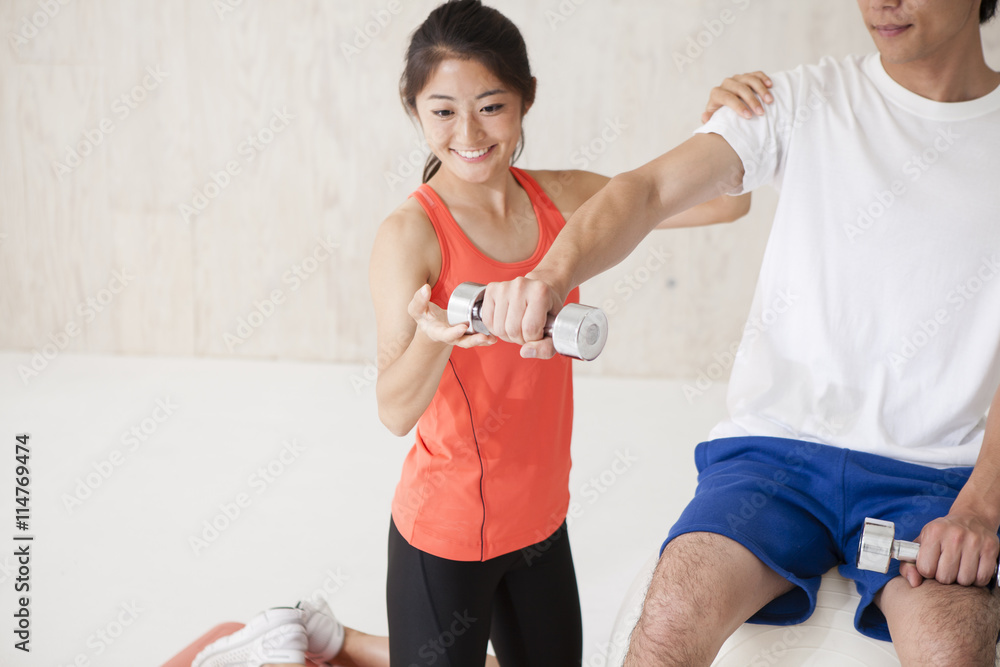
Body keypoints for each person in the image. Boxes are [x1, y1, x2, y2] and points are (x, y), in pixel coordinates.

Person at [188, 2, 766, 666]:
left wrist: (723, 118)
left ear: (525, 101)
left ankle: (335, 635)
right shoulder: (411, 235)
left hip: (542, 523)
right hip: (448, 531)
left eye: (491, 106)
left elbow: (727, 201)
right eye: (442, 110)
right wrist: (438, 336)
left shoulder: (566, 199)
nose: (468, 132)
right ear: (414, 111)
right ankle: (309, 640)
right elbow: (393, 409)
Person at [480, 1, 1000, 665]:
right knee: (668, 623)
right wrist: (550, 276)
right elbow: (646, 191)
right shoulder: (797, 99)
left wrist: (982, 507)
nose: (881, 3)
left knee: (952, 647)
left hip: (937, 475)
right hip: (775, 456)